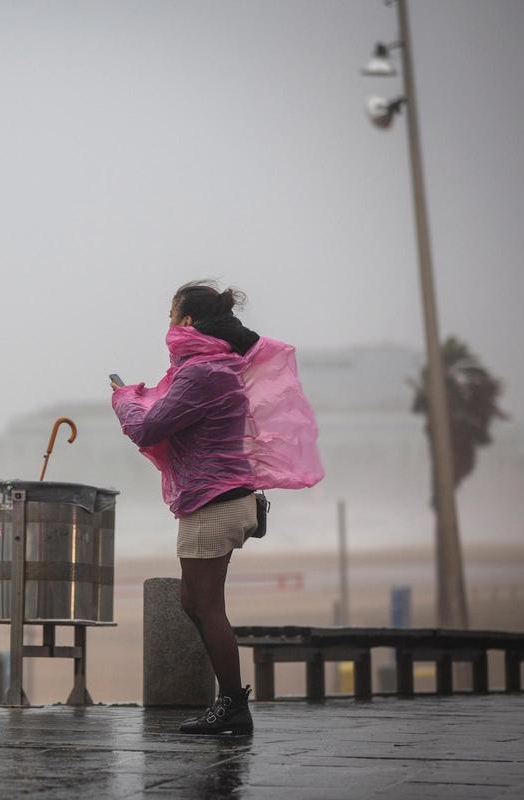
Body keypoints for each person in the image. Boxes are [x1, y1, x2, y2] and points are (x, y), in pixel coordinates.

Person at [111, 281, 322, 735]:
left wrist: (124, 398)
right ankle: (229, 702)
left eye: (171, 314)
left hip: (214, 503)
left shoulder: (203, 372)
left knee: (207, 607)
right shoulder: (215, 368)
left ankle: (232, 705)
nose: (168, 324)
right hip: (223, 498)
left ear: (187, 322)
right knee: (193, 600)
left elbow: (149, 428)